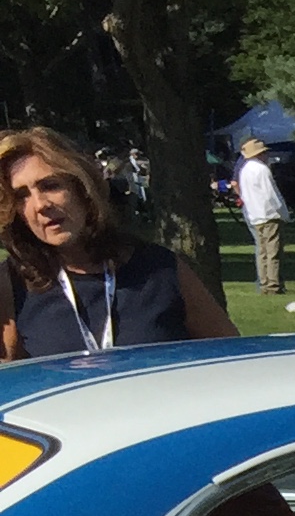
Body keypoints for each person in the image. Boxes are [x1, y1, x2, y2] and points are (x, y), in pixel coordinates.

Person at [2, 125, 234, 358]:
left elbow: (233, 357)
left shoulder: (160, 269)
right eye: (22, 195)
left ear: (82, 188)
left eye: (51, 186)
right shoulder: (13, 286)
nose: (40, 205)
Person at [236, 136, 288, 292]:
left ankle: (264, 282)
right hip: (269, 214)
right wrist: (282, 212)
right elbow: (270, 194)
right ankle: (273, 284)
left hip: (255, 214)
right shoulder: (262, 169)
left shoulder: (244, 170)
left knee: (262, 252)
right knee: (273, 251)